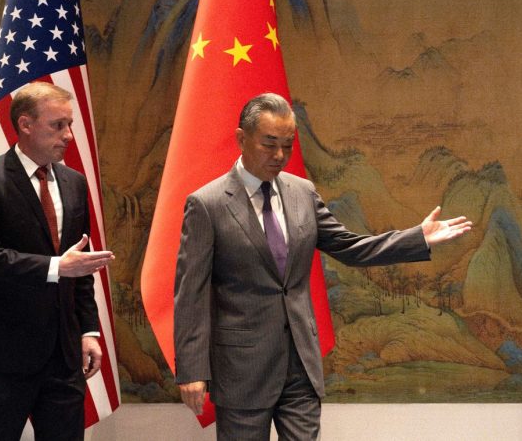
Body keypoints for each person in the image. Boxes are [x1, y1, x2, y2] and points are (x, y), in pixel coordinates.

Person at [173, 93, 472, 440]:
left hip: (301, 367)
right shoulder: (207, 205)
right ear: (242, 138)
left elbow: (350, 247)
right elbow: (190, 294)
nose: (280, 156)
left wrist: (417, 238)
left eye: (287, 145)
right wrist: (191, 370)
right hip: (242, 370)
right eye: (270, 144)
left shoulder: (302, 192)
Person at [0, 82, 115, 440]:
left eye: (70, 124)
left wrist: (88, 331)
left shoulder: (74, 183)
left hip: (63, 354)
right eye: (58, 125)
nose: (70, 135)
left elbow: (82, 266)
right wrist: (57, 268)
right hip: (2, 354)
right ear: (25, 125)